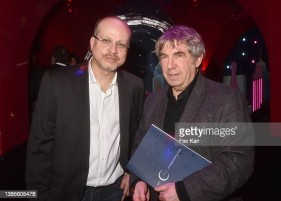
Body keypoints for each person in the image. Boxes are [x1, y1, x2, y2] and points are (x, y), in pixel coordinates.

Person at [26, 16, 145, 201]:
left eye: (121, 45)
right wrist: (39, 195)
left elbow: (135, 134)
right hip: (67, 192)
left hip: (114, 190)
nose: (113, 50)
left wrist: (133, 172)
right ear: (92, 42)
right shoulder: (57, 82)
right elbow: (39, 145)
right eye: (106, 41)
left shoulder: (134, 86)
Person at [131, 25, 254, 201]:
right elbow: (141, 148)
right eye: (164, 57)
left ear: (197, 59)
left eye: (179, 55)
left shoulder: (226, 98)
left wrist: (184, 190)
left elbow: (238, 160)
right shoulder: (152, 101)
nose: (170, 65)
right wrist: (139, 180)